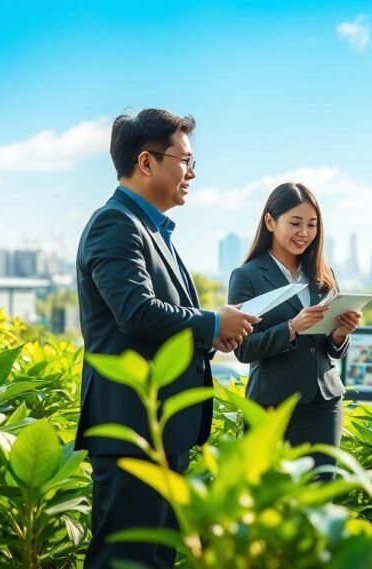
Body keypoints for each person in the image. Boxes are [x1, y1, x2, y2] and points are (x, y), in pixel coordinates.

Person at [75, 108, 258, 568]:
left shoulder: (153, 229)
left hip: (161, 429)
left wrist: (210, 333)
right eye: (185, 160)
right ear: (146, 162)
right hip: (133, 429)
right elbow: (137, 313)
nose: (192, 173)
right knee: (125, 557)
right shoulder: (114, 224)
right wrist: (213, 324)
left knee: (156, 558)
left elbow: (159, 321)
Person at [228, 182, 361, 480]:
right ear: (270, 222)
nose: (305, 233)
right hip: (271, 407)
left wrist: (341, 333)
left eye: (312, 225)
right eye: (296, 223)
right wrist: (291, 328)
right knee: (272, 504)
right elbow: (243, 349)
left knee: (319, 499)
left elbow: (330, 349)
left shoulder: (323, 276)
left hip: (324, 405)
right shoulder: (247, 276)